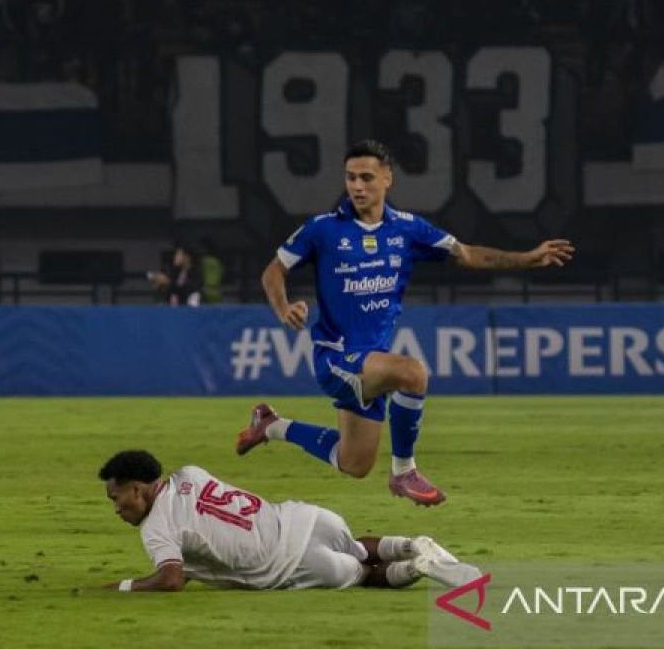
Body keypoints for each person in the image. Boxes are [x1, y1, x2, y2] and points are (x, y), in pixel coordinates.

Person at [236, 139, 575, 506]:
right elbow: (273, 272)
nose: (357, 186)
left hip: (370, 362)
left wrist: (527, 259)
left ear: (387, 179)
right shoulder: (322, 229)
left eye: (366, 177)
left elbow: (467, 254)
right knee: (412, 373)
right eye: (351, 178)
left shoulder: (408, 230)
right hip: (336, 358)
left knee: (353, 463)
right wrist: (284, 307)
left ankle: (271, 425)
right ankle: (403, 472)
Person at [98, 449, 480, 592]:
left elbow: (170, 579)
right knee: (360, 548)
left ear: (136, 489)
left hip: (289, 564)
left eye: (117, 499)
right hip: (307, 518)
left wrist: (121, 587)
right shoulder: (190, 473)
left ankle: (417, 564)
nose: (117, 509)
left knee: (366, 575)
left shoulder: (156, 527)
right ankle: (412, 544)